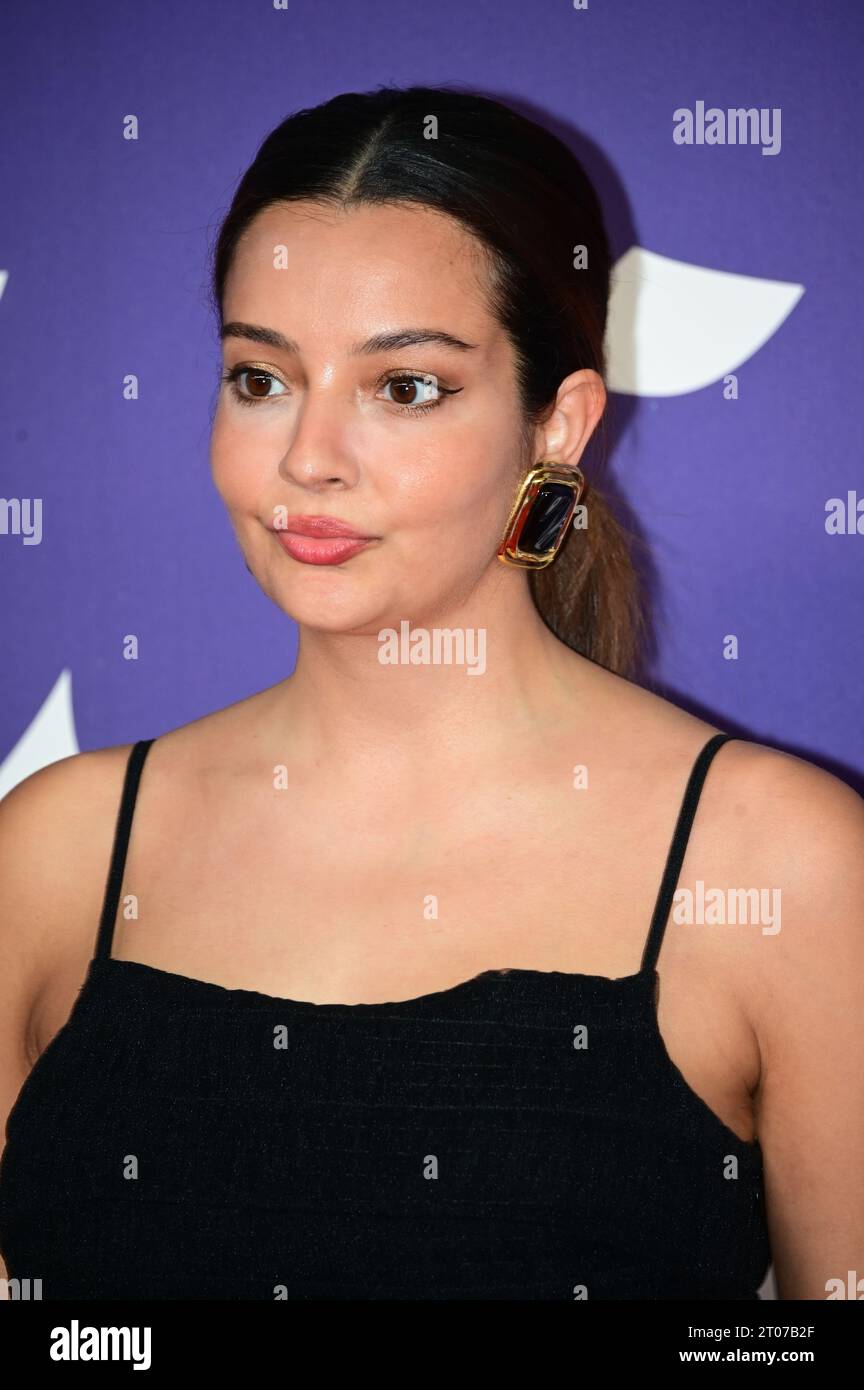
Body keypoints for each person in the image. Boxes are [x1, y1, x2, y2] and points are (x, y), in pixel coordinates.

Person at [0, 85, 861, 1301]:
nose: (307, 457)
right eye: (261, 377)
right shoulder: (54, 851)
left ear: (556, 423)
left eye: (404, 387)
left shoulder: (780, 862)